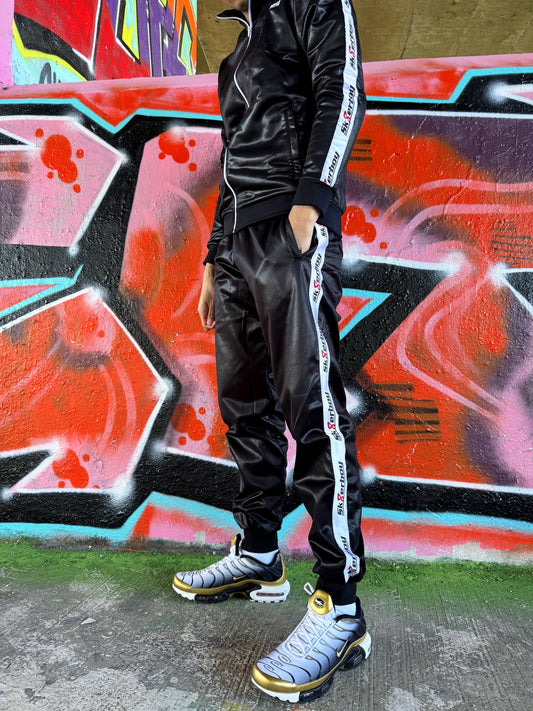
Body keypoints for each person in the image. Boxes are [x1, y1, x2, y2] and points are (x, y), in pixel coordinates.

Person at [173, 0, 370, 702]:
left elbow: (342, 89)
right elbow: (231, 158)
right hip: (235, 246)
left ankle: (340, 606)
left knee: (312, 410)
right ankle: (259, 551)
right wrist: (212, 256)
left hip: (290, 225)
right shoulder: (240, 41)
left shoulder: (312, 4)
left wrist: (310, 201)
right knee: (245, 408)